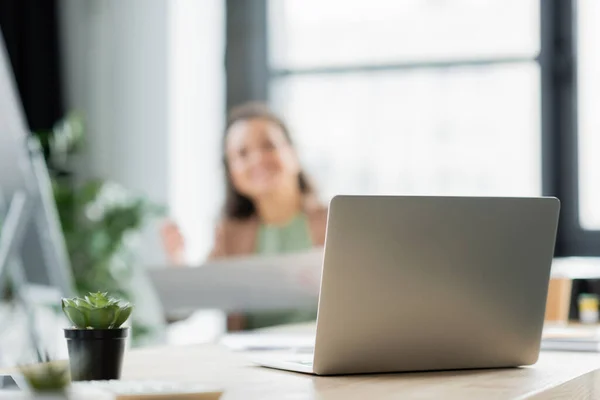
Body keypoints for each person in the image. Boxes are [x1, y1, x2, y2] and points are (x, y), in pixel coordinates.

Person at [161, 102, 327, 330]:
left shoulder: (336, 222)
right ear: (232, 173)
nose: (257, 159)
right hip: (255, 361)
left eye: (269, 146)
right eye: (242, 153)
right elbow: (181, 312)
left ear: (293, 154)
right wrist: (178, 263)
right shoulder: (229, 235)